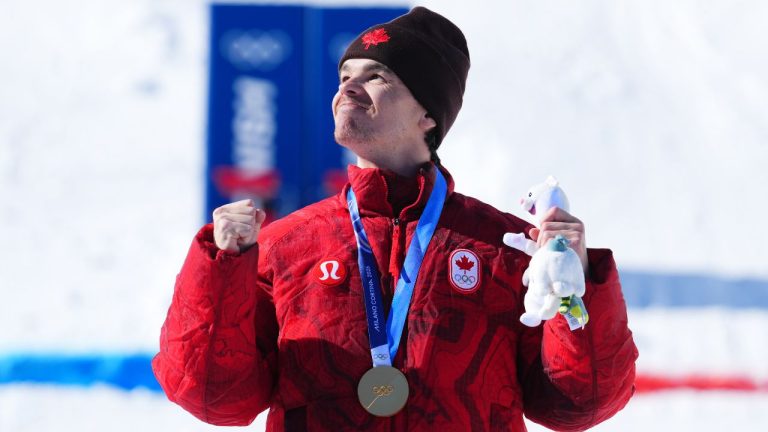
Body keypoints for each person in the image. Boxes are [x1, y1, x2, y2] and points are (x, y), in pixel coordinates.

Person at [152, 7, 637, 431]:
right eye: (345, 76)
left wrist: (577, 287)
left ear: (428, 114)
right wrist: (222, 269)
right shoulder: (285, 246)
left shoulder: (505, 247)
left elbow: (577, 405)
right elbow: (215, 398)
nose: (349, 88)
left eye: (376, 76)